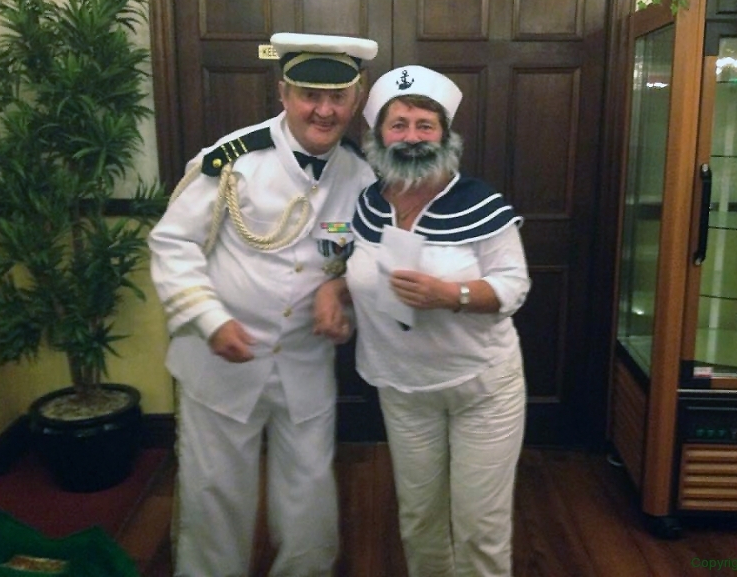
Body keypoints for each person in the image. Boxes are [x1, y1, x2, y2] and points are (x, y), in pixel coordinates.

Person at [148, 32, 378, 577]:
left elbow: (365, 258)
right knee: (215, 492)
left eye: (338, 97)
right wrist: (208, 320)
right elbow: (172, 242)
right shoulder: (233, 161)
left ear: (356, 99)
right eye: (309, 95)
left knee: (309, 492)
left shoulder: (362, 175)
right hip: (221, 357)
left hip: (304, 358)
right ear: (283, 94)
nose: (324, 110)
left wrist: (340, 297)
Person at [315, 65, 531, 577]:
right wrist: (331, 288)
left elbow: (514, 286)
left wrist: (451, 294)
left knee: (480, 528)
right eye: (399, 125)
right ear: (378, 136)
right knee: (418, 518)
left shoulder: (481, 202)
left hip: (481, 388)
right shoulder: (367, 204)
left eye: (424, 125)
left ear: (444, 135)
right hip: (403, 388)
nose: (411, 137)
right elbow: (357, 270)